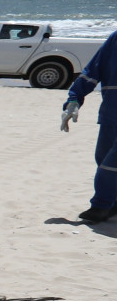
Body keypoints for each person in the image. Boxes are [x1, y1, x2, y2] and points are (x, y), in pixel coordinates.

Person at [60, 27, 117, 224]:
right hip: (111, 114)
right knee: (102, 159)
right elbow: (93, 71)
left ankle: (100, 206)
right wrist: (74, 100)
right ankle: (112, 204)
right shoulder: (115, 39)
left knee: (111, 165)